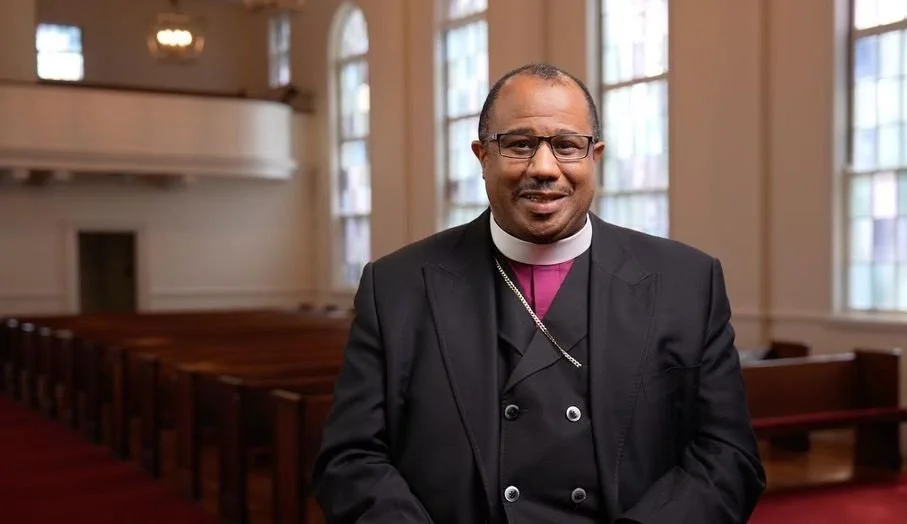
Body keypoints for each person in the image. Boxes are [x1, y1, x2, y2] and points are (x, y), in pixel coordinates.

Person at [312, 63, 765, 524]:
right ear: (482, 156)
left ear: (595, 157)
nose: (544, 168)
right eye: (519, 144)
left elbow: (727, 457)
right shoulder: (396, 287)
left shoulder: (687, 282)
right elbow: (350, 461)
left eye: (567, 145)